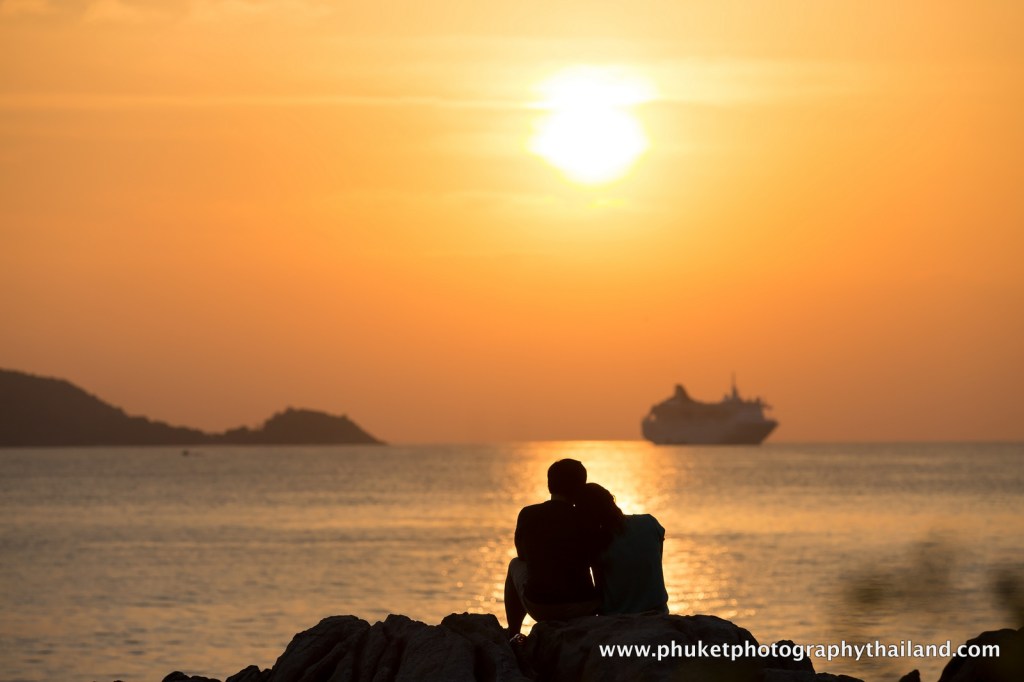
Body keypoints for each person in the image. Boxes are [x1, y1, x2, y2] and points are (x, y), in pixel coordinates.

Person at [504, 459, 599, 637]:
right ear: (581, 486)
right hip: (585, 605)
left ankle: (513, 632)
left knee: (514, 564)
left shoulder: (528, 514)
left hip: (542, 606)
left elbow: (522, 556)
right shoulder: (587, 518)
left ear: (549, 484)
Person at [575, 482, 669, 615]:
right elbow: (656, 561)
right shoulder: (649, 522)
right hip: (659, 612)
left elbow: (600, 589)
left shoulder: (597, 543)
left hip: (619, 615)